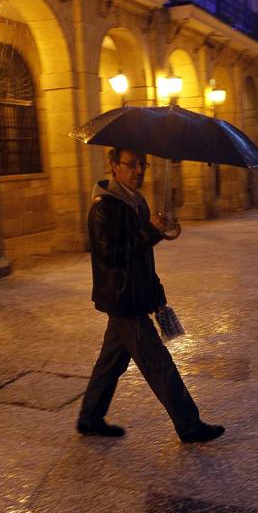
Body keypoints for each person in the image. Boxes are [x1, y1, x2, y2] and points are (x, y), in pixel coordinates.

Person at [77, 147, 225, 444]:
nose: (138, 171)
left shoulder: (137, 203)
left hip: (135, 294)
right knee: (157, 362)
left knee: (112, 362)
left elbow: (142, 257)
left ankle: (90, 417)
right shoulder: (104, 207)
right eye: (131, 165)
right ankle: (189, 424)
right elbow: (110, 255)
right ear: (114, 166)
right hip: (122, 298)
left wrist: (156, 291)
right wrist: (150, 232)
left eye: (142, 165)